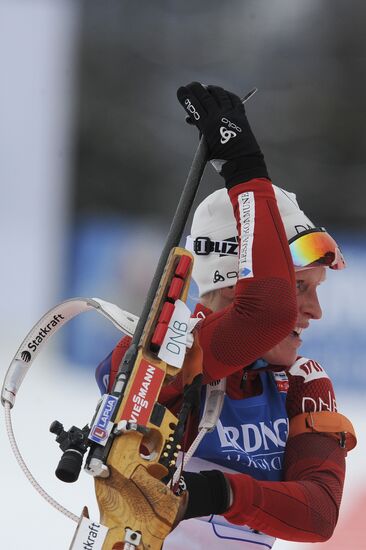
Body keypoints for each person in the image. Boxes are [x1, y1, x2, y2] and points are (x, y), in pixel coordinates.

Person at [96, 82, 356, 548]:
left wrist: (214, 492)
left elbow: (318, 514)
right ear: (237, 279)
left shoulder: (301, 381)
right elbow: (265, 316)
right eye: (299, 286)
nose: (314, 311)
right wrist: (243, 168)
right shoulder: (163, 350)